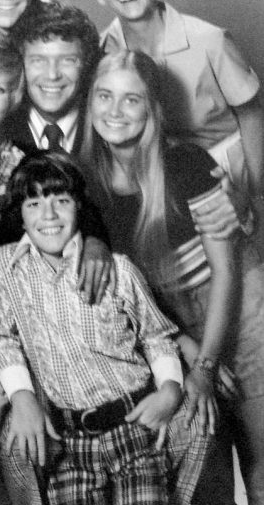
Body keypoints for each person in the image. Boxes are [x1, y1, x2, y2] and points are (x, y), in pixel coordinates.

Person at [79, 50, 264, 504]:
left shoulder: (185, 164)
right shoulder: (84, 176)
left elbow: (226, 274)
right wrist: (184, 346)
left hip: (238, 309)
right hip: (164, 325)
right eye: (104, 96)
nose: (115, 112)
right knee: (200, 465)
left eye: (131, 100)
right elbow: (134, 294)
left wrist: (204, 367)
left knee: (261, 465)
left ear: (152, 108)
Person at [0, 151, 187, 505]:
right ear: (20, 214)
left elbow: (156, 336)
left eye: (61, 201)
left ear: (80, 206)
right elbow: (4, 340)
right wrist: (21, 395)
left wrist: (170, 390)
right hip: (71, 444)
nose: (48, 215)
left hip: (133, 428)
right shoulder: (6, 270)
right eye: (33, 203)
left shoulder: (118, 270)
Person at [75, 0, 264, 246]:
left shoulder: (210, 40)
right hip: (160, 182)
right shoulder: (104, 53)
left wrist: (251, 193)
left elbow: (252, 116)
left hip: (228, 173)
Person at [0, 0, 99, 155]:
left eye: (67, 60)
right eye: (38, 61)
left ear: (86, 64)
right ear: (20, 65)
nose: (52, 75)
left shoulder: (105, 129)